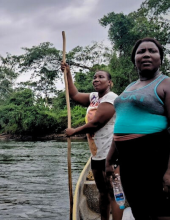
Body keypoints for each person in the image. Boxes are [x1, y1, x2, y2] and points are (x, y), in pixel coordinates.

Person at [105, 37, 170, 220]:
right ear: (134, 58)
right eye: (141, 51)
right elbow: (122, 125)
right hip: (129, 163)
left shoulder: (168, 84)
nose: (146, 54)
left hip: (156, 160)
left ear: (160, 58)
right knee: (139, 212)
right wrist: (110, 158)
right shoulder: (130, 87)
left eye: (152, 51)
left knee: (164, 214)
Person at [61, 62, 123, 220]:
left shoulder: (111, 98)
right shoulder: (94, 97)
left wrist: (74, 131)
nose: (96, 80)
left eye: (101, 77)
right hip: (96, 154)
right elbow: (73, 94)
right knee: (102, 192)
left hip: (112, 153)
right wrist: (68, 72)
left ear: (110, 82)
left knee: (114, 193)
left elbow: (97, 123)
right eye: (94, 77)